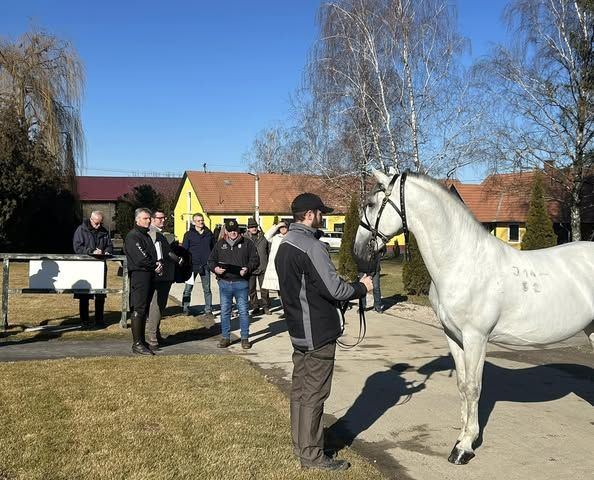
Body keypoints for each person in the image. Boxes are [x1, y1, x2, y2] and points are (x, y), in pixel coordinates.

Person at [275, 193, 373, 472]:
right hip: (317, 331)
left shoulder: (285, 244)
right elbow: (335, 289)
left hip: (298, 329)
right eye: (320, 213)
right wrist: (361, 287)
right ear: (309, 215)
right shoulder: (311, 246)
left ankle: (301, 444)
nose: (323, 217)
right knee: (314, 395)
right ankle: (312, 455)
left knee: (301, 392)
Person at [207, 219, 259, 349]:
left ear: (239, 230)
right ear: (226, 231)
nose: (233, 233)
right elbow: (211, 260)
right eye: (230, 230)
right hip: (224, 283)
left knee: (243, 311)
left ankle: (245, 338)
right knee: (225, 311)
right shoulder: (220, 244)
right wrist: (215, 269)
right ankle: (225, 337)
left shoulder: (248, 243)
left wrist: (248, 268)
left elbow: (255, 260)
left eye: (235, 230)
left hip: (241, 283)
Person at [125, 208, 161, 355]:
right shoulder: (133, 236)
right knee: (138, 309)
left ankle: (141, 340)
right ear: (137, 219)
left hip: (148, 275)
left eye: (149, 218)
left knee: (144, 309)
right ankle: (137, 343)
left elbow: (151, 254)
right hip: (140, 275)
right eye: (145, 218)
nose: (148, 221)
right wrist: (154, 265)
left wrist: (156, 264)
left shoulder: (144, 235)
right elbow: (141, 257)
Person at [146, 209, 183, 351]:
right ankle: (153, 337)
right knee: (156, 305)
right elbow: (164, 253)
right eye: (160, 218)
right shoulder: (153, 233)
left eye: (164, 218)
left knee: (160, 305)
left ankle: (156, 333)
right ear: (153, 219)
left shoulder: (161, 234)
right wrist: (177, 258)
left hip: (166, 274)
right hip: (159, 275)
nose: (163, 220)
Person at [72, 210, 113, 327]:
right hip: (85, 265)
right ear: (91, 220)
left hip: (100, 266)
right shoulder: (81, 230)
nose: (99, 225)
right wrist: (91, 252)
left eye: (100, 223)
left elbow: (110, 245)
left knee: (100, 294)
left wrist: (106, 251)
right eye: (96, 223)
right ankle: (84, 320)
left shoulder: (104, 231)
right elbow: (77, 247)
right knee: (84, 294)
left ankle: (99, 319)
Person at [181, 213, 215, 319]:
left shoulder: (209, 234)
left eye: (202, 220)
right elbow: (184, 250)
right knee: (188, 288)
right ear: (193, 222)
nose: (201, 222)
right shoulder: (188, 234)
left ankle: (208, 310)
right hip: (192, 266)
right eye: (198, 221)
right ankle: (185, 308)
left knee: (207, 289)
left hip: (205, 265)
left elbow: (214, 248)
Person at [244, 217, 271, 315]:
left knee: (264, 289)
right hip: (250, 268)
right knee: (251, 289)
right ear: (248, 228)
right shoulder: (245, 238)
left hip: (263, 266)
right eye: (251, 227)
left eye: (255, 226)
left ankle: (266, 307)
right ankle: (255, 306)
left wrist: (268, 263)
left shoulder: (264, 237)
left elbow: (269, 251)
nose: (253, 228)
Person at [262, 220, 289, 317]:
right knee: (279, 290)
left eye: (284, 227)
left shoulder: (290, 237)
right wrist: (276, 226)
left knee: (286, 290)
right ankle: (285, 310)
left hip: (285, 266)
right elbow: (266, 236)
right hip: (274, 267)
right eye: (281, 228)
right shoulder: (276, 237)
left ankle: (288, 310)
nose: (282, 229)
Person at [358, 245, 386, 313]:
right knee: (362, 288)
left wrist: (374, 272)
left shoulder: (377, 243)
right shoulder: (362, 242)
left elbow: (380, 255)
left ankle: (377, 306)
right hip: (363, 269)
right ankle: (362, 306)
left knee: (376, 287)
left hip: (375, 269)